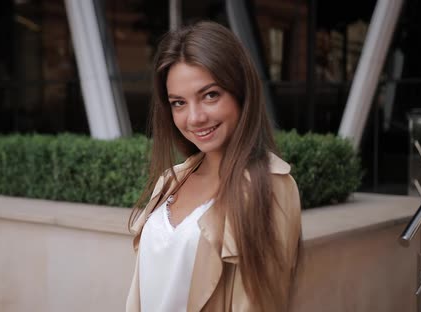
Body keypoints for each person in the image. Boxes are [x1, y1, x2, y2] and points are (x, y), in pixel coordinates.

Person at [126, 21, 302, 312]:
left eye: (210, 95)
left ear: (241, 93)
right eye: (179, 102)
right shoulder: (171, 180)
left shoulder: (270, 187)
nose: (194, 118)